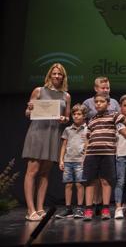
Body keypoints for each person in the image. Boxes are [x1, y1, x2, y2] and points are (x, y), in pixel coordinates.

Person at [82, 93, 126, 220]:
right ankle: (88, 209)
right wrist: (85, 155)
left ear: (108, 104)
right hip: (92, 154)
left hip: (107, 153)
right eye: (96, 102)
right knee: (90, 181)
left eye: (101, 102)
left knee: (105, 181)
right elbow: (87, 138)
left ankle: (106, 208)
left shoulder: (114, 115)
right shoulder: (92, 120)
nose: (98, 104)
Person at [22, 63, 71, 221]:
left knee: (45, 173)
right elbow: (28, 113)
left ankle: (40, 208)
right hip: (38, 132)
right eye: (54, 73)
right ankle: (30, 210)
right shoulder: (39, 90)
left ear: (63, 77)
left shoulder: (66, 96)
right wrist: (30, 108)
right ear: (50, 75)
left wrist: (64, 118)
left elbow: (67, 118)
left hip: (53, 134)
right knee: (33, 171)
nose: (57, 76)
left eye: (60, 74)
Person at [56, 103, 88, 219]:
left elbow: (87, 145)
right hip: (68, 160)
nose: (76, 116)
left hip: (80, 160)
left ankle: (80, 208)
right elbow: (64, 145)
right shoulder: (68, 129)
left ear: (84, 116)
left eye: (79, 114)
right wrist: (61, 160)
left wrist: (85, 158)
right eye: (74, 114)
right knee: (68, 184)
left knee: (79, 184)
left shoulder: (87, 129)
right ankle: (68, 208)